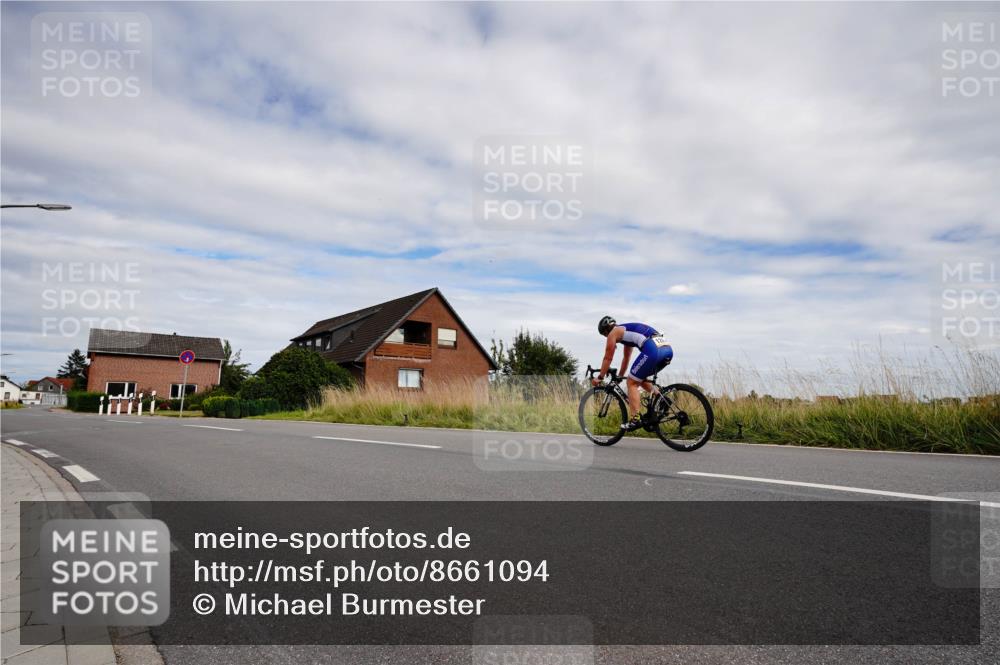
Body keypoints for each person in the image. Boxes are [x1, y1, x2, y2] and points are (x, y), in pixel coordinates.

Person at [593, 316, 673, 430]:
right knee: (638, 378)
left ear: (606, 331)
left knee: (631, 382)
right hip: (667, 350)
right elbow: (626, 358)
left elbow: (608, 357)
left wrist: (600, 377)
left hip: (654, 351)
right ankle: (662, 399)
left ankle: (635, 420)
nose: (607, 338)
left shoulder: (613, 333)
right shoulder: (625, 332)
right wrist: (620, 376)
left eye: (604, 335)